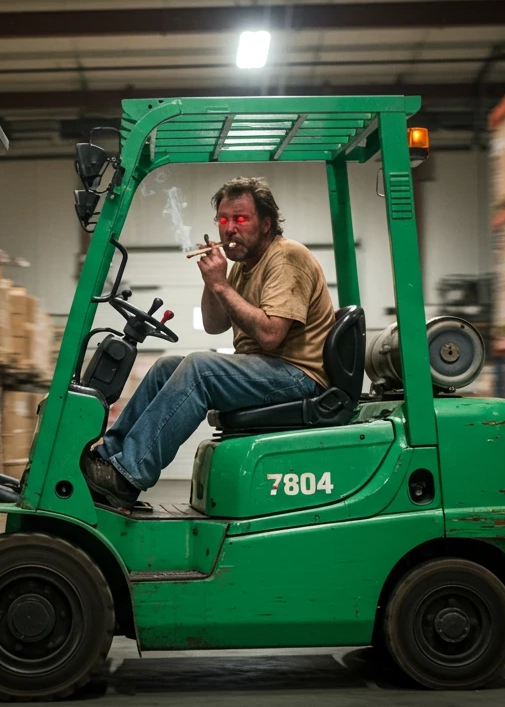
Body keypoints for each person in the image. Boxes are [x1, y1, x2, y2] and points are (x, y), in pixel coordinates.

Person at [80, 175, 337, 509]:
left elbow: (271, 336)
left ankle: (128, 474)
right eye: (223, 220)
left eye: (241, 219)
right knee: (166, 367)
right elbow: (215, 325)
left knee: (199, 369)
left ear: (266, 224)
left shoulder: (286, 258)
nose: (229, 228)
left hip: (299, 376)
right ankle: (109, 456)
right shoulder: (244, 267)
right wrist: (212, 281)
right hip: (269, 369)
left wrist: (220, 285)